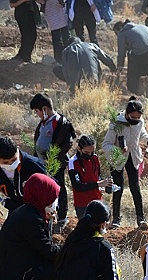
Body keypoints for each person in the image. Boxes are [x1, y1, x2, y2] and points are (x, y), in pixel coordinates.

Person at [55, 200, 125, 280]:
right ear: (103, 223)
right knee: (115, 269)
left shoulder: (72, 238)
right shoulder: (103, 247)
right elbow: (111, 279)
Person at [0, 173, 60, 280]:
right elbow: (48, 251)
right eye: (52, 196)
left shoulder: (28, 211)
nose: (54, 202)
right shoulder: (31, 219)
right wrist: (70, 249)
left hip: (16, 266)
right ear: (42, 195)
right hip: (16, 277)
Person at [102, 97, 148, 229]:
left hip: (133, 157)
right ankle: (116, 219)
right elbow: (106, 144)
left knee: (135, 188)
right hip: (117, 158)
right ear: (126, 114)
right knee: (118, 188)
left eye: (138, 117)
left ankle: (141, 219)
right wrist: (117, 150)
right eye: (133, 117)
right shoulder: (116, 123)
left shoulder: (139, 121)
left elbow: (142, 133)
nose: (135, 120)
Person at [31, 93, 76, 234]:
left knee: (59, 187)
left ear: (44, 109)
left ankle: (62, 217)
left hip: (55, 163)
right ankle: (47, 215)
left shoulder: (60, 122)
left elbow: (68, 142)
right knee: (45, 189)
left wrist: (53, 156)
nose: (37, 114)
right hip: (42, 163)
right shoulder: (43, 123)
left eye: (37, 111)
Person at [113, 20, 148, 95]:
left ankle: (132, 92)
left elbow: (121, 53)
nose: (117, 36)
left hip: (143, 53)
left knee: (132, 73)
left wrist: (119, 68)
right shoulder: (142, 26)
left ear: (120, 29)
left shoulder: (122, 33)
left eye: (116, 33)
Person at [53, 37, 117, 95]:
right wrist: (113, 68)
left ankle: (74, 91)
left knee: (56, 69)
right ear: (80, 41)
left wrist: (70, 86)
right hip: (93, 80)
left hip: (76, 86)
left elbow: (65, 70)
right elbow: (105, 58)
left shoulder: (66, 51)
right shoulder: (91, 46)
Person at [68, 135, 112, 219]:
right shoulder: (73, 162)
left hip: (97, 200)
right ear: (79, 149)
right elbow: (78, 186)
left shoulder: (95, 158)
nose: (90, 154)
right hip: (83, 204)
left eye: (92, 152)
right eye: (87, 152)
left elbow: (97, 176)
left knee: (99, 229)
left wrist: (103, 185)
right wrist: (97, 184)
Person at [0, 136, 46, 214]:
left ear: (17, 149)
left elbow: (50, 187)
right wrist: (3, 201)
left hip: (36, 209)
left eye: (13, 160)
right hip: (14, 207)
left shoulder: (33, 165)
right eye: (6, 163)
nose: (11, 164)